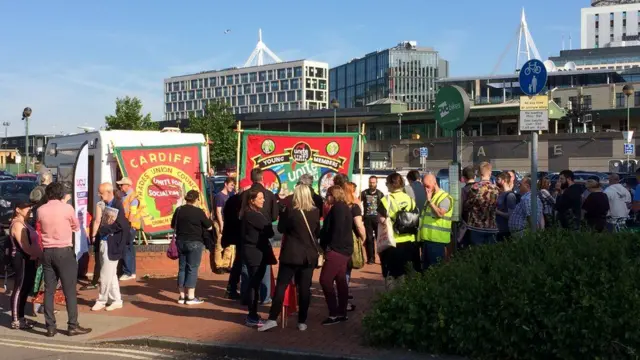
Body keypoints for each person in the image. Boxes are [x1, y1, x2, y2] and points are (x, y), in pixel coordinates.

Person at [259, 185, 320, 332]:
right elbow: (316, 231)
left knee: (281, 286)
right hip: (308, 255)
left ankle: (273, 318)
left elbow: (280, 229)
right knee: (305, 288)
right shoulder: (315, 211)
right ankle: (302, 321)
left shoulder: (291, 211)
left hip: (291, 254)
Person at [36, 182, 92, 337]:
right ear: (61, 194)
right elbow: (76, 226)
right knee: (69, 291)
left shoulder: (40, 210)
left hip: (47, 252)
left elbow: (39, 227)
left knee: (49, 290)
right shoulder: (67, 208)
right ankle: (72, 326)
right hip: (64, 251)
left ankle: (50, 327)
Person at [240, 188, 277, 327]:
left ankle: (253, 313)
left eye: (263, 197)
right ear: (252, 200)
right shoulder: (253, 215)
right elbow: (269, 231)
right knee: (254, 284)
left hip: (253, 251)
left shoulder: (250, 214)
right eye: (260, 198)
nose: (263, 200)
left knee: (254, 282)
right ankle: (252, 315)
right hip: (255, 253)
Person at [241, 169, 279, 304]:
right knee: (263, 267)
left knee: (247, 267)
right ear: (262, 178)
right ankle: (265, 296)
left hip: (247, 236)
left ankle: (246, 296)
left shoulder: (244, 194)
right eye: (260, 199)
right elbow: (275, 216)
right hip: (262, 235)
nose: (262, 200)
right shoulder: (269, 194)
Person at [91, 183, 129, 312]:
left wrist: (103, 230)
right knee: (111, 274)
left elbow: (121, 224)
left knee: (105, 274)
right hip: (105, 241)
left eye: (100, 193)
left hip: (112, 243)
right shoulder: (105, 205)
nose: (99, 195)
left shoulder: (118, 205)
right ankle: (116, 300)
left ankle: (102, 300)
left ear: (108, 192)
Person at [171, 190, 213, 305]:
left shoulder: (179, 210)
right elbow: (209, 226)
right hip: (195, 242)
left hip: (180, 241)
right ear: (197, 199)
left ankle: (181, 296)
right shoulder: (199, 211)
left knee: (182, 268)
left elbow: (172, 224)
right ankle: (190, 297)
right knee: (192, 268)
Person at [319, 185, 353, 325]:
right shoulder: (342, 207)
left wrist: (329, 247)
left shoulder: (338, 208)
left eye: (328, 194)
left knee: (325, 280)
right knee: (340, 281)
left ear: (334, 195)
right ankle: (341, 312)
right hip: (343, 249)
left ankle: (334, 313)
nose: (327, 197)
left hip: (337, 250)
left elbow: (336, 230)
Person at [378, 173, 419, 288]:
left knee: (393, 273)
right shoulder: (410, 199)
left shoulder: (387, 199)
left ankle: (393, 298)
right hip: (410, 241)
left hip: (393, 242)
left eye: (387, 183)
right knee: (408, 272)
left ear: (391, 184)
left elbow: (381, 219)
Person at [9, 201, 39, 330]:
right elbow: (24, 246)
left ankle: (21, 317)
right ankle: (16, 319)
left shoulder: (25, 223)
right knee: (19, 288)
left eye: (29, 207)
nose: (29, 209)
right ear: (18, 210)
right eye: (26, 207)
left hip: (29, 259)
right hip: (21, 258)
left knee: (26, 288)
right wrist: (36, 254)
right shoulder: (17, 224)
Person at [419, 174, 453, 270]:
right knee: (425, 269)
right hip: (427, 240)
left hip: (437, 241)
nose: (426, 189)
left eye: (427, 186)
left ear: (435, 183)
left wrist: (430, 202)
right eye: (424, 186)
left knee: (435, 269)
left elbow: (440, 213)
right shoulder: (431, 198)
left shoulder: (444, 198)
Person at [225, 179, 251, 300]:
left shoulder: (232, 200)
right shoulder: (242, 201)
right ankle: (237, 289)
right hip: (242, 234)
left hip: (236, 234)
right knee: (242, 262)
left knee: (239, 261)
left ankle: (232, 287)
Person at [465, 162, 499, 245]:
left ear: (480, 173)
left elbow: (467, 205)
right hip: (491, 226)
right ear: (490, 173)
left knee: (476, 254)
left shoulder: (475, 187)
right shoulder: (495, 189)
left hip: (476, 226)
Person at [115, 177, 140, 282]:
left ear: (128, 186)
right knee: (129, 248)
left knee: (126, 248)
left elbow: (132, 213)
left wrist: (127, 225)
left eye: (122, 185)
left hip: (129, 226)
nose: (120, 186)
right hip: (129, 225)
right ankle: (131, 272)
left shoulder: (132, 197)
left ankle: (128, 272)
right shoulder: (125, 196)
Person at [80, 198, 105, 291]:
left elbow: (97, 220)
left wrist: (93, 235)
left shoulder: (100, 204)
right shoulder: (117, 202)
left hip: (101, 232)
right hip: (111, 234)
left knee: (98, 259)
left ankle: (95, 282)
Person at [213, 177, 236, 274]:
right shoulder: (219, 196)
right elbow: (218, 211)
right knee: (220, 244)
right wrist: (221, 224)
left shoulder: (230, 196)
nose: (232, 187)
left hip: (228, 222)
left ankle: (226, 264)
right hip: (221, 222)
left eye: (233, 185)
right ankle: (218, 265)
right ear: (225, 184)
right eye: (231, 185)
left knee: (229, 244)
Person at [360, 176, 383, 264]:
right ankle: (371, 258)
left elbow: (383, 206)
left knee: (379, 239)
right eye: (370, 182)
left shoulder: (380, 194)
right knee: (369, 239)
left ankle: (381, 258)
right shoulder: (364, 193)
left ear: (376, 183)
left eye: (373, 182)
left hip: (377, 219)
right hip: (367, 219)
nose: (372, 184)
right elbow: (358, 202)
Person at [495, 172, 518, 242]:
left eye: (498, 179)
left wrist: (497, 212)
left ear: (504, 180)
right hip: (498, 229)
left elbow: (511, 215)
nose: (496, 181)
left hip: (505, 230)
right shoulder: (501, 193)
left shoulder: (510, 195)